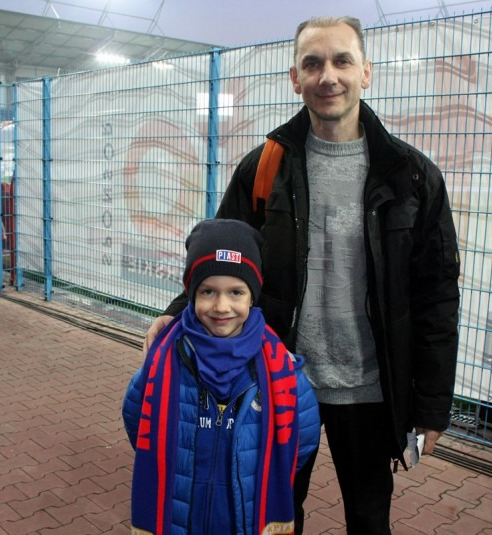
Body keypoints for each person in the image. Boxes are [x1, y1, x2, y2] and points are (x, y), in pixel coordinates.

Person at [144, 16, 461, 535]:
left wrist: (431, 405)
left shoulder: (411, 176)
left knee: (369, 518)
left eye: (342, 61)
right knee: (274, 516)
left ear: (366, 72)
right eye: (312, 64)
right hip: (280, 379)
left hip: (371, 388)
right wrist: (177, 311)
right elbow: (223, 256)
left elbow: (437, 295)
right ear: (295, 78)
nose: (327, 76)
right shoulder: (265, 168)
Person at [124, 218, 320, 535]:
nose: (221, 306)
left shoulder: (281, 370)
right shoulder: (164, 362)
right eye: (208, 291)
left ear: (252, 296)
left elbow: (301, 441)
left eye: (236, 292)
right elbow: (138, 421)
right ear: (191, 293)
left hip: (246, 520)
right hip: (180, 518)